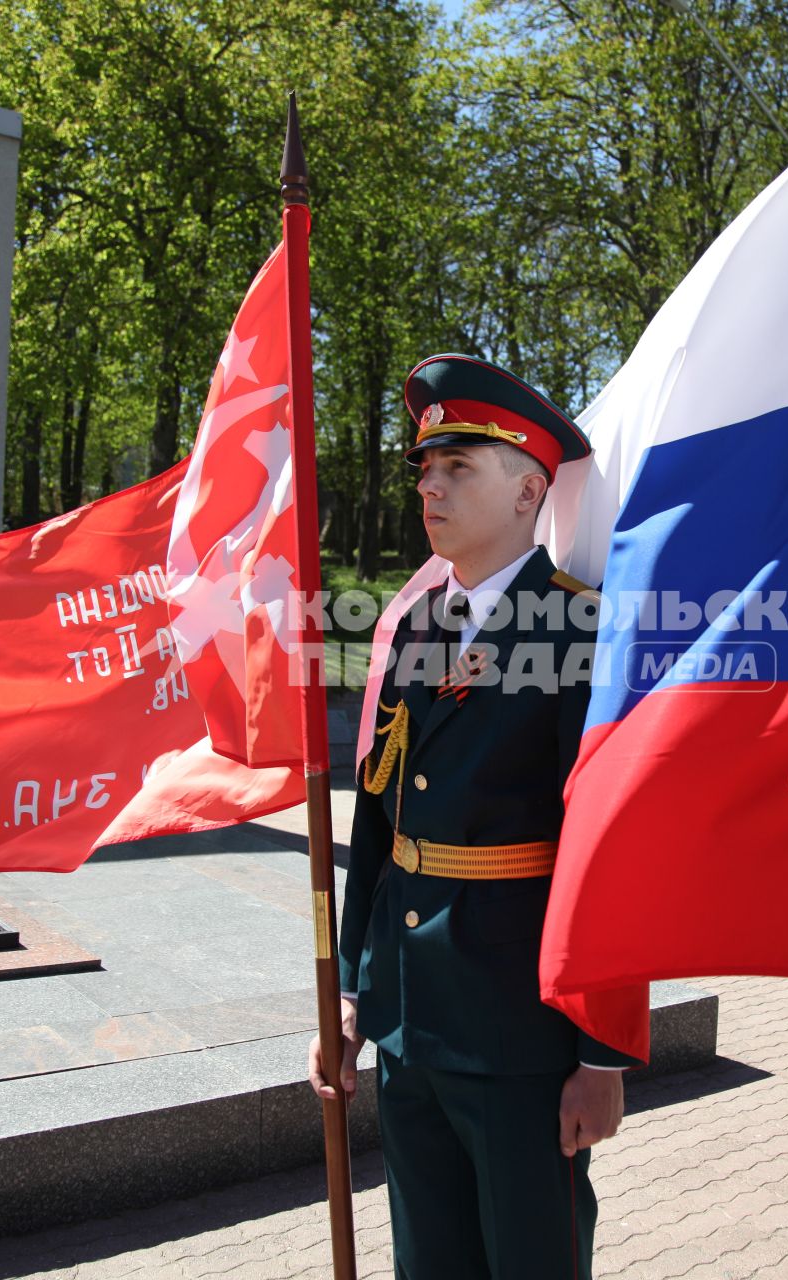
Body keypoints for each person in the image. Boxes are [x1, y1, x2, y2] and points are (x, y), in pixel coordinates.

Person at [307, 353, 639, 1279]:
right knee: (429, 1261)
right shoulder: (412, 627)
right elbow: (379, 828)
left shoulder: (582, 630)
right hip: (411, 1017)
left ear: (530, 489)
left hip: (521, 1032)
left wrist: (603, 1053)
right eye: (425, 468)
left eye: (460, 466)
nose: (431, 485)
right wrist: (351, 995)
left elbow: (608, 849)